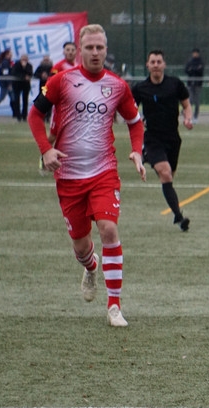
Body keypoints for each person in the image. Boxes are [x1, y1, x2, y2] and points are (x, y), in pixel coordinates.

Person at [28, 24, 146, 328]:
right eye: (90, 48)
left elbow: (135, 122)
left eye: (100, 48)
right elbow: (34, 115)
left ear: (107, 50)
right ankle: (90, 267)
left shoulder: (118, 86)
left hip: (104, 172)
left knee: (109, 230)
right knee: (81, 247)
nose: (95, 52)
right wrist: (45, 150)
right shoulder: (61, 81)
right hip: (68, 177)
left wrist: (137, 150)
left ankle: (115, 307)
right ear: (80, 50)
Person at [132, 49, 194, 231]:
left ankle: (148, 157)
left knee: (168, 178)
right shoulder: (140, 88)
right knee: (165, 173)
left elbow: (186, 103)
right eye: (153, 62)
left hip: (173, 139)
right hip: (152, 138)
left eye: (159, 61)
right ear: (148, 65)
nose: (156, 65)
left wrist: (187, 118)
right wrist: (136, 118)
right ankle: (179, 217)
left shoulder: (175, 84)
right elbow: (130, 108)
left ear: (164, 64)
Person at [12, 53, 33, 121]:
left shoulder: (29, 65)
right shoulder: (16, 64)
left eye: (25, 58)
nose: (24, 60)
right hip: (17, 85)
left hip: (25, 85)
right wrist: (24, 76)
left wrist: (25, 68)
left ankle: (24, 116)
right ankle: (18, 116)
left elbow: (30, 73)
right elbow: (15, 73)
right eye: (22, 58)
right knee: (17, 100)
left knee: (25, 101)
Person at [184, 48, 204, 117]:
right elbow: (186, 70)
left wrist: (192, 69)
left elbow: (200, 71)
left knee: (197, 100)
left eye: (196, 53)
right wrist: (194, 69)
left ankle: (196, 114)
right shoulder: (190, 61)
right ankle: (188, 112)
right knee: (190, 99)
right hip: (190, 83)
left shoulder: (200, 61)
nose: (195, 54)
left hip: (198, 83)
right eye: (194, 53)